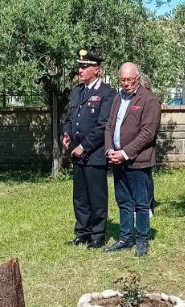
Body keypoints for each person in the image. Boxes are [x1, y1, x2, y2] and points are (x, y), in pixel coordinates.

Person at [103, 62, 161, 257]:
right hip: (117, 159)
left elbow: (147, 133)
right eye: (122, 80)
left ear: (137, 78)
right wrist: (110, 149)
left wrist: (125, 153)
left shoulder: (149, 100)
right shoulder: (117, 99)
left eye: (130, 80)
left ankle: (142, 240)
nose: (126, 84)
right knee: (123, 201)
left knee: (141, 203)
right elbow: (109, 127)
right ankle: (125, 238)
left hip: (137, 161)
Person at [62, 49, 116, 248]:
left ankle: (98, 235)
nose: (80, 70)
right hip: (77, 154)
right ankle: (82, 232)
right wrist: (67, 134)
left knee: (97, 196)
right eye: (80, 66)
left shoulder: (107, 93)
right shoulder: (77, 91)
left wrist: (83, 146)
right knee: (80, 196)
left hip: (94, 155)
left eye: (85, 66)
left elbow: (103, 126)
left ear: (97, 70)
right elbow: (69, 119)